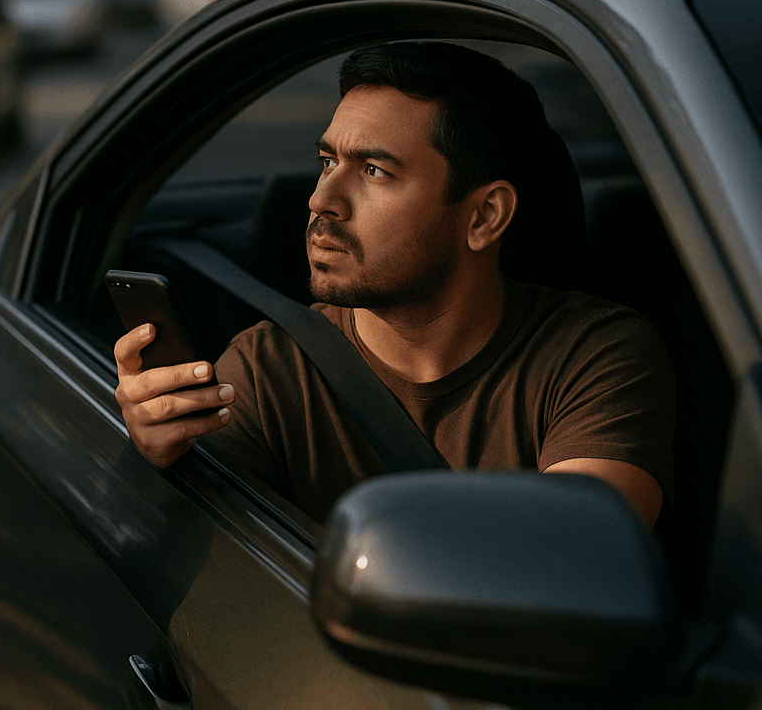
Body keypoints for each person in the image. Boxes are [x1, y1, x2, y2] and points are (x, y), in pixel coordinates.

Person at [113, 41, 674, 525]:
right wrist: (159, 461)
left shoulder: (594, 355)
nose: (320, 200)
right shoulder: (267, 370)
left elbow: (576, 565)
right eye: (327, 161)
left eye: (375, 171)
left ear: (483, 218)